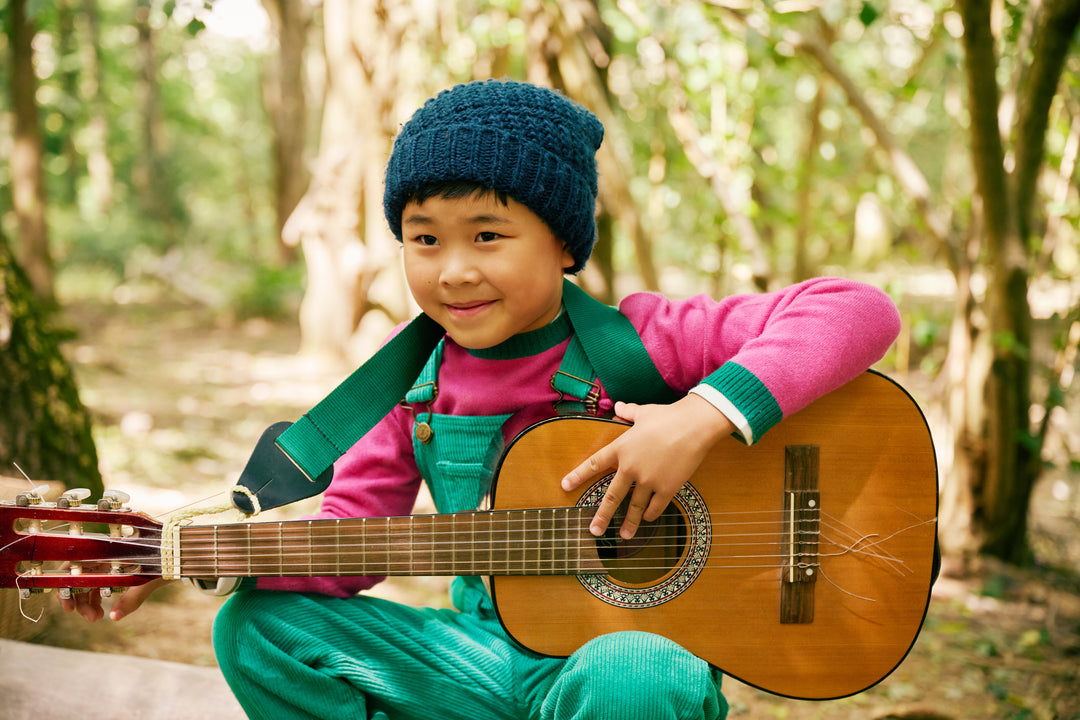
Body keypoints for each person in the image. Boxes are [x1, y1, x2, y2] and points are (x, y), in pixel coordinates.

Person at [66, 79, 901, 720]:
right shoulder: (413, 382)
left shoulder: (644, 339)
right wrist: (175, 556)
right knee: (257, 631)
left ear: (564, 242)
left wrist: (701, 417)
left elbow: (858, 308)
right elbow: (350, 535)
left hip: (626, 665)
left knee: (632, 671)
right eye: (424, 239)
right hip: (478, 660)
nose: (453, 269)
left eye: (488, 235)